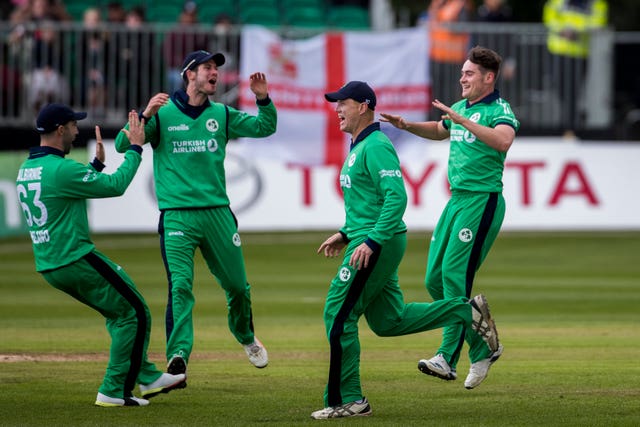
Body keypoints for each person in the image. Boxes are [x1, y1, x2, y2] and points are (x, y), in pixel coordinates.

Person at [311, 80, 501, 419]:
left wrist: (371, 240)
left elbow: (396, 197)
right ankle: (465, 310)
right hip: (365, 237)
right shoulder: (359, 146)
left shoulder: (376, 146)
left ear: (364, 106)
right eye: (336, 103)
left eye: (344, 103)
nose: (337, 109)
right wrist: (345, 233)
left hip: (375, 243)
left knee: (337, 315)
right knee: (388, 321)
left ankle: (348, 400)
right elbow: (368, 202)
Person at [114, 50, 277, 381]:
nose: (214, 72)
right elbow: (122, 143)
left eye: (216, 68)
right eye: (207, 68)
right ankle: (178, 356)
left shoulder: (222, 113)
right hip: (177, 217)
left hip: (217, 213)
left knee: (237, 287)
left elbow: (265, 127)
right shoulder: (163, 114)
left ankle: (245, 336)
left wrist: (263, 99)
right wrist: (145, 114)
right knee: (181, 287)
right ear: (190, 74)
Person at [15, 103, 186, 406]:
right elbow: (115, 186)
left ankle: (145, 375)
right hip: (74, 257)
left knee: (121, 313)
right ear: (60, 130)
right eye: (72, 126)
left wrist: (94, 166)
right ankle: (116, 388)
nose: (76, 130)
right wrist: (135, 148)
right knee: (134, 312)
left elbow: (61, 195)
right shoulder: (62, 169)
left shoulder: (28, 167)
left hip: (51, 263)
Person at [380, 46, 520, 390]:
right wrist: (407, 125)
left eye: (469, 73)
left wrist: (462, 120)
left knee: (455, 276)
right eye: (462, 73)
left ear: (488, 78)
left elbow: (503, 141)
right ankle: (484, 347)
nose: (462, 78)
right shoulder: (459, 109)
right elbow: (441, 130)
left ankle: (446, 357)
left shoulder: (499, 110)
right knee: (433, 279)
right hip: (456, 201)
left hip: (481, 200)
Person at [543, 0, 608, 135]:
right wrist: (563, 30)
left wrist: (577, 31)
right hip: (558, 50)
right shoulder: (558, 1)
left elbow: (599, 22)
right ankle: (570, 122)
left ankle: (570, 127)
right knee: (559, 88)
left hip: (580, 53)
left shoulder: (596, 3)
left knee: (574, 92)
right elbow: (549, 17)